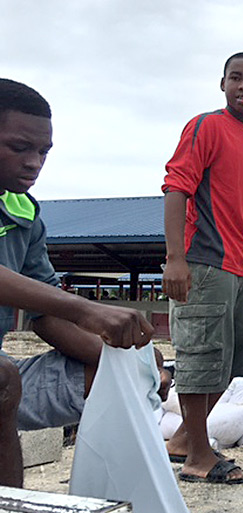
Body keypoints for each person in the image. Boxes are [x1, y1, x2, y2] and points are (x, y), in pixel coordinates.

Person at [0, 78, 163, 488]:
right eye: (20, 148)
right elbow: (63, 306)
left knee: (118, 369)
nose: (34, 162)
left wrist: (125, 361)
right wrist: (87, 308)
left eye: (43, 151)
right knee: (3, 379)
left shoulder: (22, 213)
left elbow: (45, 312)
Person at [161, 52, 243, 485]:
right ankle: (198, 457)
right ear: (223, 83)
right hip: (204, 263)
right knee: (200, 360)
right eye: (236, 78)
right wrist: (176, 258)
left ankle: (180, 440)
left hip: (239, 266)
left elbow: (241, 208)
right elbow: (177, 187)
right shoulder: (206, 126)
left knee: (235, 361)